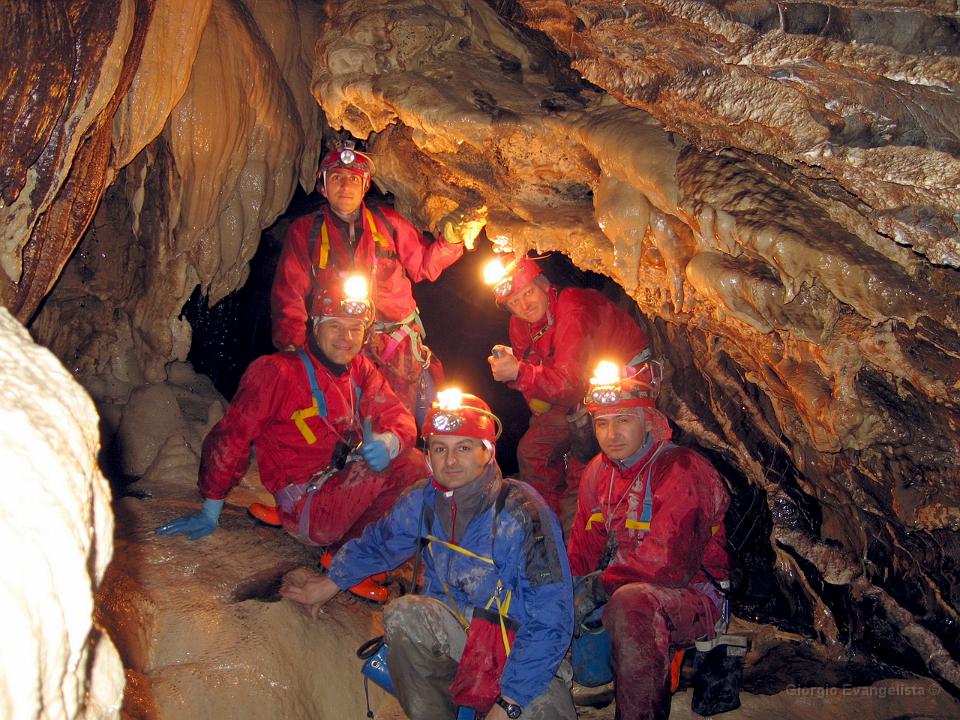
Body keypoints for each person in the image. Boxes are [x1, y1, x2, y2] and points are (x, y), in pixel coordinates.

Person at [280, 389, 577, 720]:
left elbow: (551, 616)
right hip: (458, 638)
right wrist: (330, 583)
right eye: (439, 448)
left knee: (546, 713)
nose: (450, 461)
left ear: (487, 452)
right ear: (428, 455)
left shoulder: (522, 513)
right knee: (405, 615)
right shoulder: (423, 500)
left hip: (515, 648)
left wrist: (509, 702)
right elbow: (380, 543)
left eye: (464, 447)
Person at [156, 275, 427, 554]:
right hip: (308, 507)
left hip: (341, 483)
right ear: (316, 326)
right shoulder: (278, 372)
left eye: (355, 328)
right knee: (393, 469)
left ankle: (350, 546)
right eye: (335, 326)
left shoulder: (360, 370)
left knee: (416, 464)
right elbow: (232, 437)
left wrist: (388, 442)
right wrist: (211, 507)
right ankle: (350, 553)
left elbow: (396, 415)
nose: (346, 338)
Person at [271, 141, 487, 422]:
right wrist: (292, 346)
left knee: (404, 419)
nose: (345, 186)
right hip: (343, 343)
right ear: (322, 186)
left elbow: (424, 264)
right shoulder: (306, 231)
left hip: (397, 343)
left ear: (365, 186)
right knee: (348, 420)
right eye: (336, 178)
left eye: (353, 179)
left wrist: (450, 241)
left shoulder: (387, 223)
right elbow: (289, 292)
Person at [567, 362, 730, 720]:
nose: (612, 434)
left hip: (692, 596)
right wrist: (568, 591)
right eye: (602, 423)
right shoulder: (598, 472)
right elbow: (583, 546)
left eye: (624, 420)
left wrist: (598, 586)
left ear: (647, 421)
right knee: (560, 598)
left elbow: (669, 566)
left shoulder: (682, 469)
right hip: (626, 586)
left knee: (631, 604)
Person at [485, 254, 652, 518]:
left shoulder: (573, 308)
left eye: (528, 293)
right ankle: (546, 522)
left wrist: (518, 373)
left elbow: (569, 384)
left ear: (543, 285)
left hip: (624, 383)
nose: (524, 305)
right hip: (575, 390)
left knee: (581, 463)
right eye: (514, 302)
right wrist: (528, 391)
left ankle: (581, 522)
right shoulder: (520, 324)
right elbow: (536, 369)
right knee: (532, 450)